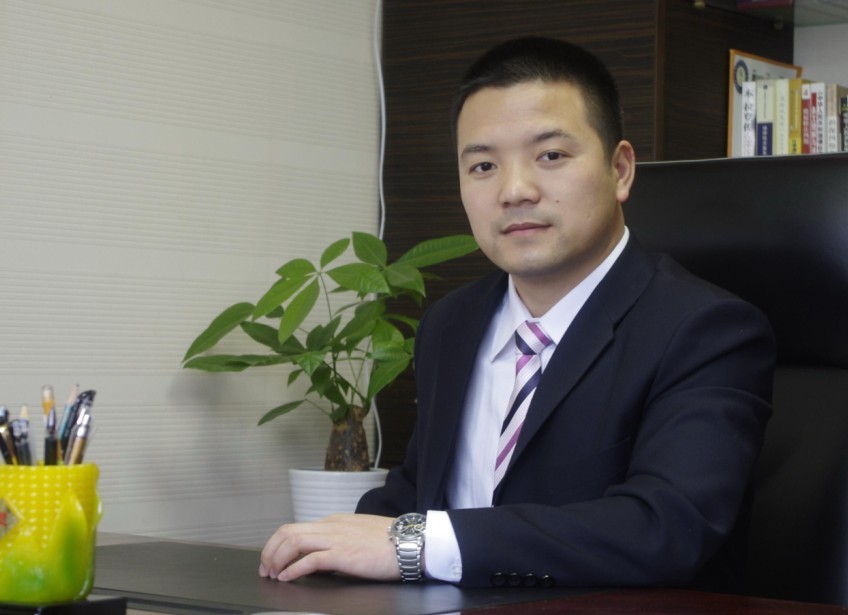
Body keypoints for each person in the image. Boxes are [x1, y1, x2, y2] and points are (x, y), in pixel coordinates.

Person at [258, 36, 775, 591]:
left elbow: (665, 528)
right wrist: (326, 545)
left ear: (621, 169)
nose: (514, 190)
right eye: (483, 165)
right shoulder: (451, 324)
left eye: (550, 156)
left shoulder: (706, 330)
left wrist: (415, 543)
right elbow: (420, 492)